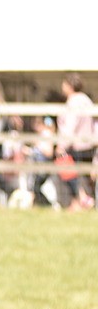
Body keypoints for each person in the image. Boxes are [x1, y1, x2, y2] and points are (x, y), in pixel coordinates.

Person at [56, 73, 95, 210]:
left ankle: (79, 203)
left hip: (76, 145)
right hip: (88, 144)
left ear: (69, 86)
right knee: (85, 178)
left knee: (73, 177)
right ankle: (87, 203)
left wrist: (62, 145)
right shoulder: (87, 100)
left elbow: (70, 126)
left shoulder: (73, 102)